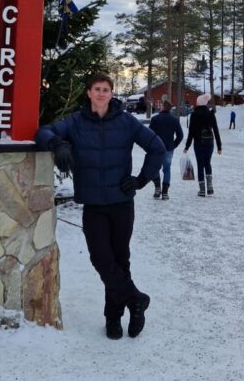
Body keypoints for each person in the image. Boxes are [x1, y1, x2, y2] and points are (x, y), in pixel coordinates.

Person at [35, 73, 164, 340]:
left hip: (121, 203)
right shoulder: (76, 122)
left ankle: (114, 320)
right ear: (89, 93)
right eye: (97, 89)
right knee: (102, 259)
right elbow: (43, 131)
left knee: (120, 260)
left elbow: (157, 147)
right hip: (93, 204)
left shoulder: (126, 122)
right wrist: (56, 144)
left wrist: (140, 180)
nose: (102, 93)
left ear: (111, 93)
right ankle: (135, 299)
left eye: (106, 89)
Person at [184, 93, 221, 197]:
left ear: (198, 103)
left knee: (200, 165)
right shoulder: (211, 114)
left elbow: (191, 132)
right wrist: (219, 146)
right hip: (209, 143)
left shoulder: (194, 115)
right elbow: (216, 130)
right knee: (207, 163)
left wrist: (187, 146)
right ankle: (210, 187)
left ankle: (202, 190)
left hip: (198, 143)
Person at [148, 100, 183, 200]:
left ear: (163, 107)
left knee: (155, 168)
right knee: (167, 170)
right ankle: (165, 193)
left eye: (161, 105)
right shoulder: (174, 120)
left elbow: (149, 134)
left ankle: (157, 188)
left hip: (156, 149)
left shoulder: (155, 119)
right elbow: (180, 135)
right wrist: (174, 145)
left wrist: (151, 146)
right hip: (169, 148)